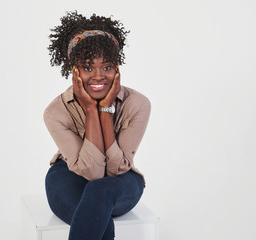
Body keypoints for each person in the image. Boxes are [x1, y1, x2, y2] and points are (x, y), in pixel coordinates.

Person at [44, 11, 151, 240]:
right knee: (97, 219)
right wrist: (91, 110)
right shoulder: (56, 112)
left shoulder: (138, 104)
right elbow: (92, 172)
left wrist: (105, 111)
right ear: (74, 70)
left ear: (117, 69)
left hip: (121, 179)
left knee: (99, 191)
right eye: (88, 67)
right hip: (68, 175)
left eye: (107, 66)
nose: (98, 76)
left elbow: (113, 171)